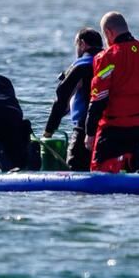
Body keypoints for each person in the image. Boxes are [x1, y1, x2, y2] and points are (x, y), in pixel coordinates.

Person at [86, 12, 139, 173]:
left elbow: (99, 99)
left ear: (108, 33)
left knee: (98, 169)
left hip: (116, 127)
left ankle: (130, 160)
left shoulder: (106, 58)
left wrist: (89, 133)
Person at [42, 27, 103, 171]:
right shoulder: (110, 63)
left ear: (82, 43)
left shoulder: (81, 66)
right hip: (112, 128)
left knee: (75, 170)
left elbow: (61, 101)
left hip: (84, 129)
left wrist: (48, 131)